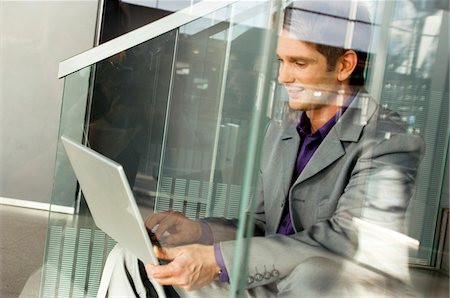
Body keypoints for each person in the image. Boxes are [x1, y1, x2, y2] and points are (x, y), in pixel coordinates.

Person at [108, 1, 424, 297]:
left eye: (299, 63)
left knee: (313, 275)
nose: (283, 77)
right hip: (267, 282)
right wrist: (200, 232)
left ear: (344, 65)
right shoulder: (283, 128)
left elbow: (343, 240)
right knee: (131, 256)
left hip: (325, 288)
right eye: (280, 61)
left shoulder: (390, 140)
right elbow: (260, 226)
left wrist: (216, 259)